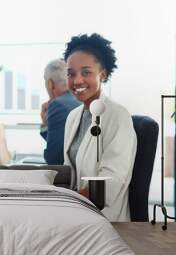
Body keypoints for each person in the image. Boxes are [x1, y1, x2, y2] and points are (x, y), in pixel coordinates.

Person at [63, 34, 137, 222]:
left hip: (104, 219)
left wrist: (69, 203)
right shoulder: (73, 117)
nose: (77, 80)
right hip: (77, 213)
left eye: (86, 72)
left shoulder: (118, 116)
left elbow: (110, 181)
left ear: (102, 74)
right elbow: (69, 171)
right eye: (71, 74)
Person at [40, 59, 80, 165]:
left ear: (50, 84)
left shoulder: (58, 105)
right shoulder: (77, 99)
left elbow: (54, 159)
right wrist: (46, 124)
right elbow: (61, 144)